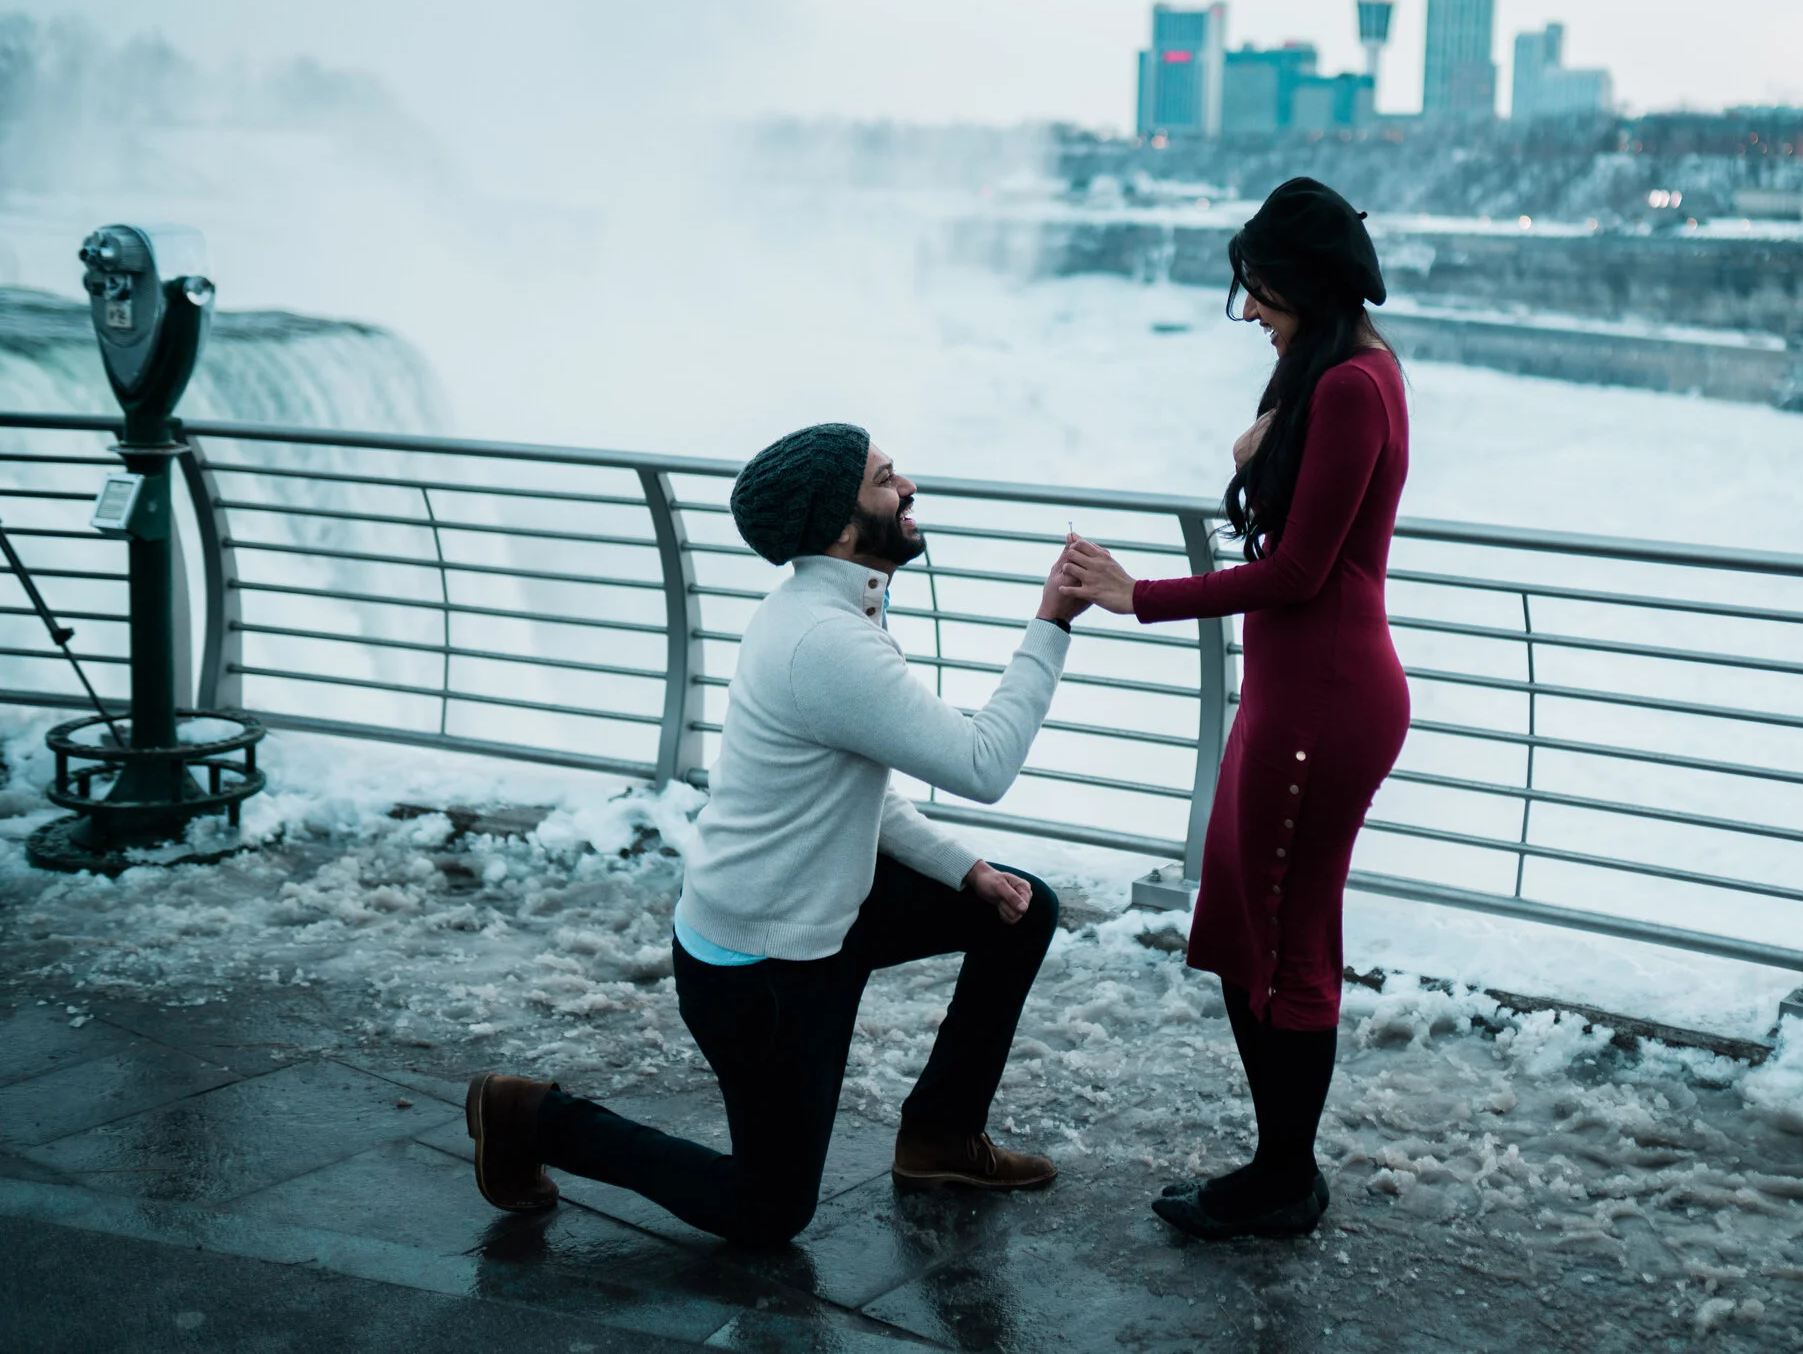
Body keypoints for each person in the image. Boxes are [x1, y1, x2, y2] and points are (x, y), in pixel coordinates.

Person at [466, 422, 1085, 1247]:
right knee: (767, 1213)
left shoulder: (828, 611)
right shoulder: (825, 641)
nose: (908, 490)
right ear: (838, 527)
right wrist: (1052, 623)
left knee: (1018, 908)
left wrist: (964, 867)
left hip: (828, 915)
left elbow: (858, 795)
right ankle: (529, 1115)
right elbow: (982, 764)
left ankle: (940, 1137)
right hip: (759, 971)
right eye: (885, 480)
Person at [1062, 176, 1409, 1240]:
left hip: (1326, 695)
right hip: (1294, 691)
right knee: (1244, 920)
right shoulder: (1340, 371)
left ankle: (1281, 1181)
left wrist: (1140, 597)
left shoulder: (1351, 384)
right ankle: (1278, 1168)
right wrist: (1259, 445)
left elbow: (1302, 568)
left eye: (1257, 290)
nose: (1248, 311)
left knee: (1290, 941)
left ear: (1303, 282)